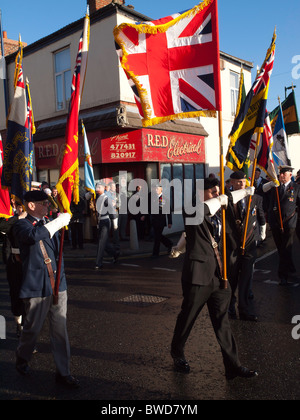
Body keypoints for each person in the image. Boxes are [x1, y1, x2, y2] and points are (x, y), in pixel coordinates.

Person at [171, 178, 258, 379]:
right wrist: (241, 193)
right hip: (198, 275)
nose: (217, 195)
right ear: (201, 193)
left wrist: (180, 246)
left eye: (218, 191)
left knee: (222, 321)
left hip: (219, 275)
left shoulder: (219, 213)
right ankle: (177, 352)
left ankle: (233, 365)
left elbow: (192, 235)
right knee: (188, 318)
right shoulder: (191, 207)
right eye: (212, 192)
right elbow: (192, 226)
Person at [13, 190, 79, 388]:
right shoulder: (21, 225)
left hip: (58, 285)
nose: (47, 206)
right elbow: (33, 237)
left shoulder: (49, 222)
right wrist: (58, 223)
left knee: (60, 330)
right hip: (36, 287)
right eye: (44, 203)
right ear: (31, 205)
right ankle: (22, 358)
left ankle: (63, 372)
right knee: (32, 330)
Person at [225, 171, 266, 321]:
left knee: (246, 279)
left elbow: (260, 215)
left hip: (249, 245)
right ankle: (230, 306)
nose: (242, 184)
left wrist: (262, 231)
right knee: (232, 279)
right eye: (239, 181)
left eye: (244, 181)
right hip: (232, 245)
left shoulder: (254, 198)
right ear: (232, 183)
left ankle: (244, 309)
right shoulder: (226, 199)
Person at [263, 165, 300, 285]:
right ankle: (291, 270)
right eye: (280, 173)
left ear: (290, 175)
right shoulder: (275, 187)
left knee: (286, 249)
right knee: (281, 249)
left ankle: (283, 276)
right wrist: (270, 184)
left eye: (284, 173)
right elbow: (261, 191)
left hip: (289, 223)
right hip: (275, 223)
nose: (281, 175)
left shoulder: (296, 187)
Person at [0, 200, 27, 337]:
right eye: (19, 207)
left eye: (23, 207)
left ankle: (27, 326)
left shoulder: (35, 221)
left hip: (31, 263)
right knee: (16, 293)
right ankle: (19, 322)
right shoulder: (12, 221)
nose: (21, 209)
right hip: (15, 263)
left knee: (30, 295)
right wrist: (18, 218)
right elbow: (2, 227)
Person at [95, 182, 120, 269]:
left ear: (103, 188)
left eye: (99, 187)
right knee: (104, 243)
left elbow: (112, 211)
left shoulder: (106, 198)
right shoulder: (97, 197)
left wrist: (115, 224)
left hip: (106, 221)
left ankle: (98, 263)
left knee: (101, 242)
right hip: (99, 222)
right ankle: (115, 253)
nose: (97, 189)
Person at [150, 184, 173, 257]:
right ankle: (169, 244)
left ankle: (155, 254)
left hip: (160, 221)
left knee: (157, 237)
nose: (156, 190)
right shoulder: (153, 198)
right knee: (158, 236)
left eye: (157, 189)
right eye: (155, 189)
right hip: (154, 221)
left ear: (161, 190)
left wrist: (170, 222)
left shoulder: (163, 199)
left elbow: (168, 211)